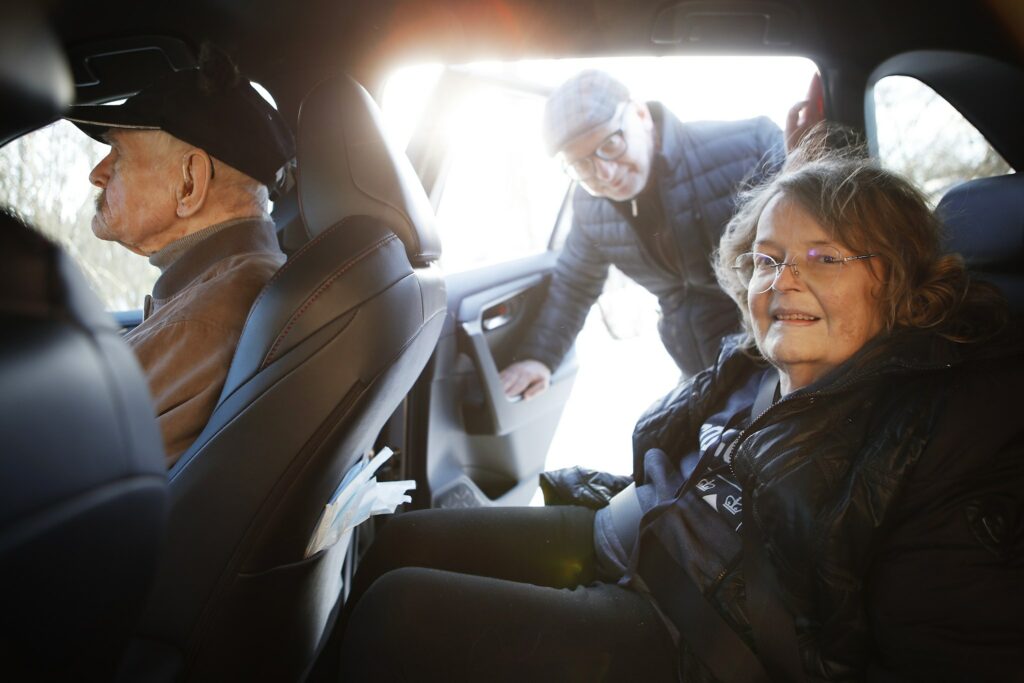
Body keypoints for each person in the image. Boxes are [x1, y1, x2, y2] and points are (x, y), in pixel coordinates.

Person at [336, 135, 1023, 681]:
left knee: (397, 619)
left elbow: (947, 651)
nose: (784, 278)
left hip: (696, 640)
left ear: (897, 279)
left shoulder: (935, 435)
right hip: (628, 536)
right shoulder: (756, 365)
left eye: (824, 257)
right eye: (767, 258)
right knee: (389, 544)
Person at [500, 69, 824, 399]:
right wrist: (538, 358)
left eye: (610, 144)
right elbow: (574, 283)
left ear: (640, 115)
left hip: (776, 362)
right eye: (581, 165)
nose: (605, 173)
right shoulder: (590, 208)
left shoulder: (749, 146)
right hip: (700, 375)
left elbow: (814, 246)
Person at [65, 46, 294, 466]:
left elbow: (52, 465)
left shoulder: (203, 322)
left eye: (119, 154)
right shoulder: (241, 285)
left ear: (190, 183)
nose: (97, 172)